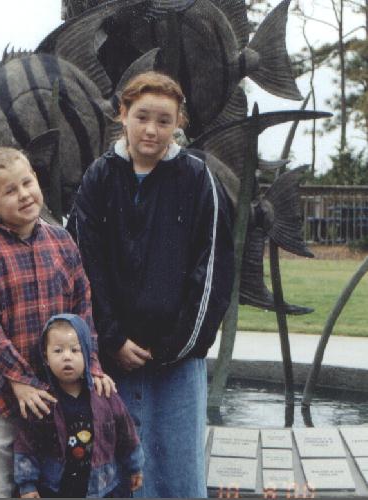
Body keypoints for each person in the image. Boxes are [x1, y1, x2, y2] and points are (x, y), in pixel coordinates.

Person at [70, 71, 234, 497]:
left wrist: (175, 346)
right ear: (122, 115)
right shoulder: (98, 178)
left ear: (178, 122)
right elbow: (85, 266)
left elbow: (213, 272)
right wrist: (111, 338)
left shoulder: (198, 179)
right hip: (113, 360)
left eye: (164, 120)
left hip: (176, 362)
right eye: (142, 116)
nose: (152, 129)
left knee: (176, 472)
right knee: (115, 473)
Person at [0, 147, 116, 498]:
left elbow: (83, 311)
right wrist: (20, 380)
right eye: (10, 191)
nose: (24, 195)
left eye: (27, 182)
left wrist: (90, 367)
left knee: (47, 486)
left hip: (52, 397)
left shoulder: (62, 242)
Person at [14, 314, 144, 498]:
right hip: (56, 488)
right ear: (46, 355)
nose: (67, 357)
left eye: (75, 350)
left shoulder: (104, 394)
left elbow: (127, 435)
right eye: (58, 351)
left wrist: (135, 467)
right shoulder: (42, 402)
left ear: (87, 353)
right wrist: (27, 485)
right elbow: (26, 446)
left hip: (100, 487)